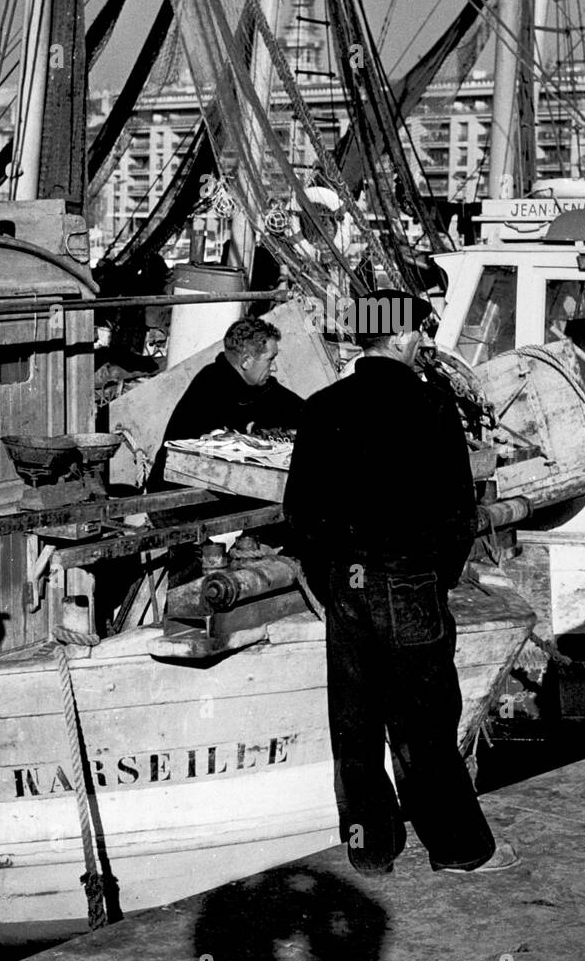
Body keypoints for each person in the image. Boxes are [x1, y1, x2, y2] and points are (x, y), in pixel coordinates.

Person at [283, 290, 519, 877]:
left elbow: (300, 513)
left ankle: (371, 847)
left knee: (356, 720)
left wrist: (333, 576)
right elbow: (457, 518)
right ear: (399, 337)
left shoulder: (320, 407)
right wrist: (433, 581)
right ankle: (461, 847)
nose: (422, 342)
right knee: (424, 719)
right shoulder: (432, 408)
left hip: (346, 579)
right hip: (408, 577)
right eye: (417, 332)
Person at [161, 316, 304, 450]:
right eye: (270, 359)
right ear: (246, 361)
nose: (274, 367)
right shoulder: (209, 389)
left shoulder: (260, 385)